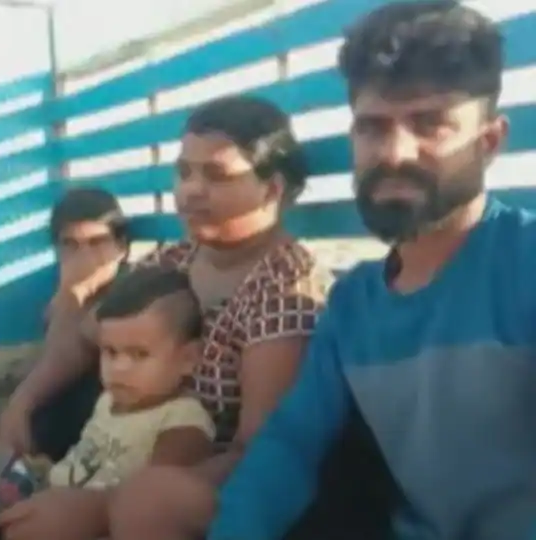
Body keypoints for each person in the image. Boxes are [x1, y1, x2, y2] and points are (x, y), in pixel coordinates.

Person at [207, 2, 536, 539]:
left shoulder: (525, 262)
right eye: (373, 127)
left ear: (488, 142)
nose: (395, 152)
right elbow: (289, 447)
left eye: (430, 124)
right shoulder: (353, 307)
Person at [107, 96, 340, 540]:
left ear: (272, 189)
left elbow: (259, 454)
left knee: (146, 503)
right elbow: (91, 331)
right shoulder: (175, 260)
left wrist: (105, 503)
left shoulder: (287, 290)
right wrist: (26, 401)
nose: (190, 191)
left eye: (216, 176)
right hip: (129, 459)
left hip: (224, 500)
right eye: (184, 173)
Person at [0, 266, 215, 540]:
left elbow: (153, 505)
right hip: (42, 487)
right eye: (110, 352)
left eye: (139, 355)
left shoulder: (182, 422)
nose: (119, 368)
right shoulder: (112, 397)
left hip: (90, 523)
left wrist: (89, 515)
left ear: (188, 358)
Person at [4, 187, 130, 464]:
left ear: (121, 247)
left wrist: (74, 293)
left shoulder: (129, 293)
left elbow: (79, 344)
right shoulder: (66, 296)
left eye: (97, 242)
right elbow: (52, 354)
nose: (84, 256)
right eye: (70, 244)